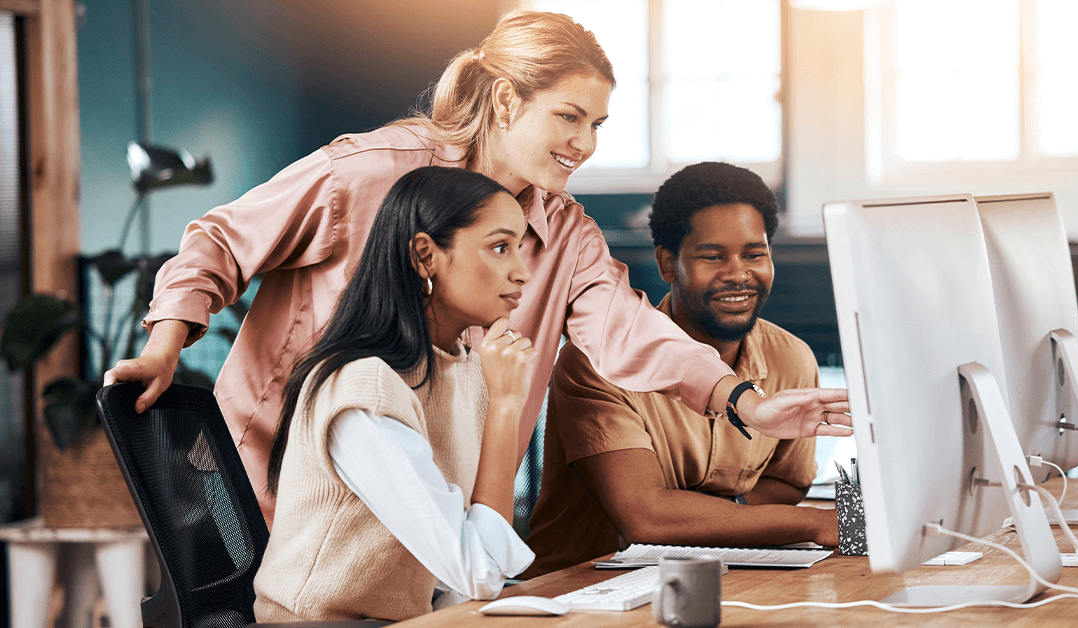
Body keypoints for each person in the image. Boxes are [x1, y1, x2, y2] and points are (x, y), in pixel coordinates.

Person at [105, 10, 851, 528]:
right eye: (568, 117)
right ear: (504, 98)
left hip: (437, 508)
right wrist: (166, 344)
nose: (584, 145)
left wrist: (744, 402)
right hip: (282, 485)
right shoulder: (368, 173)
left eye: (597, 126)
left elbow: (628, 331)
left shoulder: (564, 233)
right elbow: (221, 240)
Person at [522, 162, 839, 578]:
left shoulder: (790, 357)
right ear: (668, 265)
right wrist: (818, 522)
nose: (739, 274)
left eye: (754, 254)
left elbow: (788, 483)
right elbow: (648, 518)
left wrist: (719, 519)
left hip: (729, 580)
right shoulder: (598, 363)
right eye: (713, 256)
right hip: (579, 594)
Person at [253, 166, 536, 622]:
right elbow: (479, 570)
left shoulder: (462, 370)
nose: (521, 272)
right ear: (426, 256)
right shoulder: (362, 389)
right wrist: (507, 405)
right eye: (500, 247)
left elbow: (460, 576)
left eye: (519, 248)